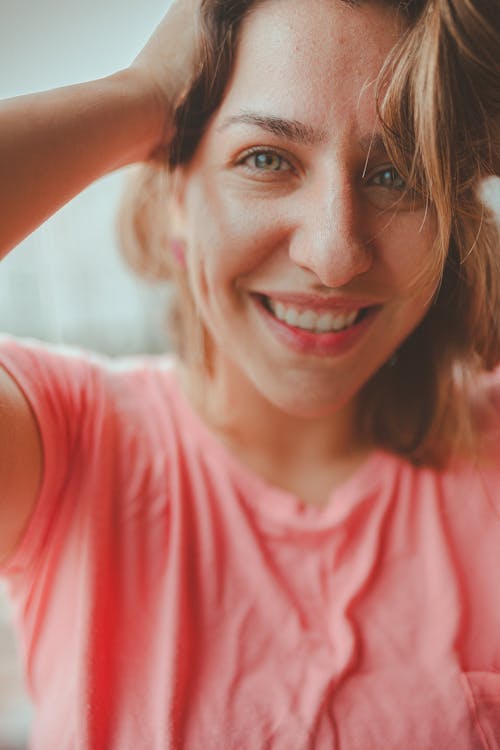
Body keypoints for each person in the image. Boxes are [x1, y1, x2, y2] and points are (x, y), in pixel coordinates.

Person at [0, 0, 499, 747]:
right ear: (174, 196)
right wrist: (140, 94)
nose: (334, 255)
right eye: (266, 158)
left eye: (396, 172)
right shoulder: (59, 444)